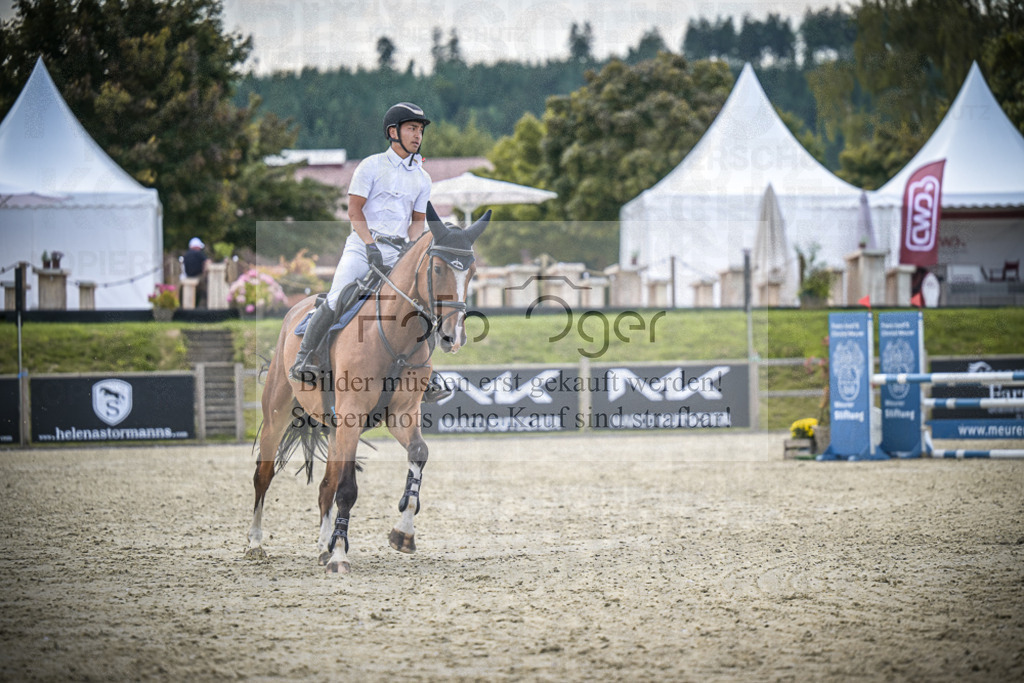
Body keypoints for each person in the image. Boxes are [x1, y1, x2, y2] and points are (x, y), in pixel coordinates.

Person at [290, 102, 450, 402]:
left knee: (420, 304)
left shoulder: (423, 178)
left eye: (420, 130)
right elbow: (354, 210)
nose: (418, 135)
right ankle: (306, 357)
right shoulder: (371, 166)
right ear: (393, 132)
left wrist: (411, 249)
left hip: (398, 252)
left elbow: (417, 223)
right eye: (412, 129)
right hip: (363, 246)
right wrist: (369, 245)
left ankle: (426, 373)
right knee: (338, 296)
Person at [182, 237, 209, 307]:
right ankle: (203, 306)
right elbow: (207, 262)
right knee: (206, 289)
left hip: (188, 277)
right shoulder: (199, 254)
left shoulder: (186, 255)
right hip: (198, 277)